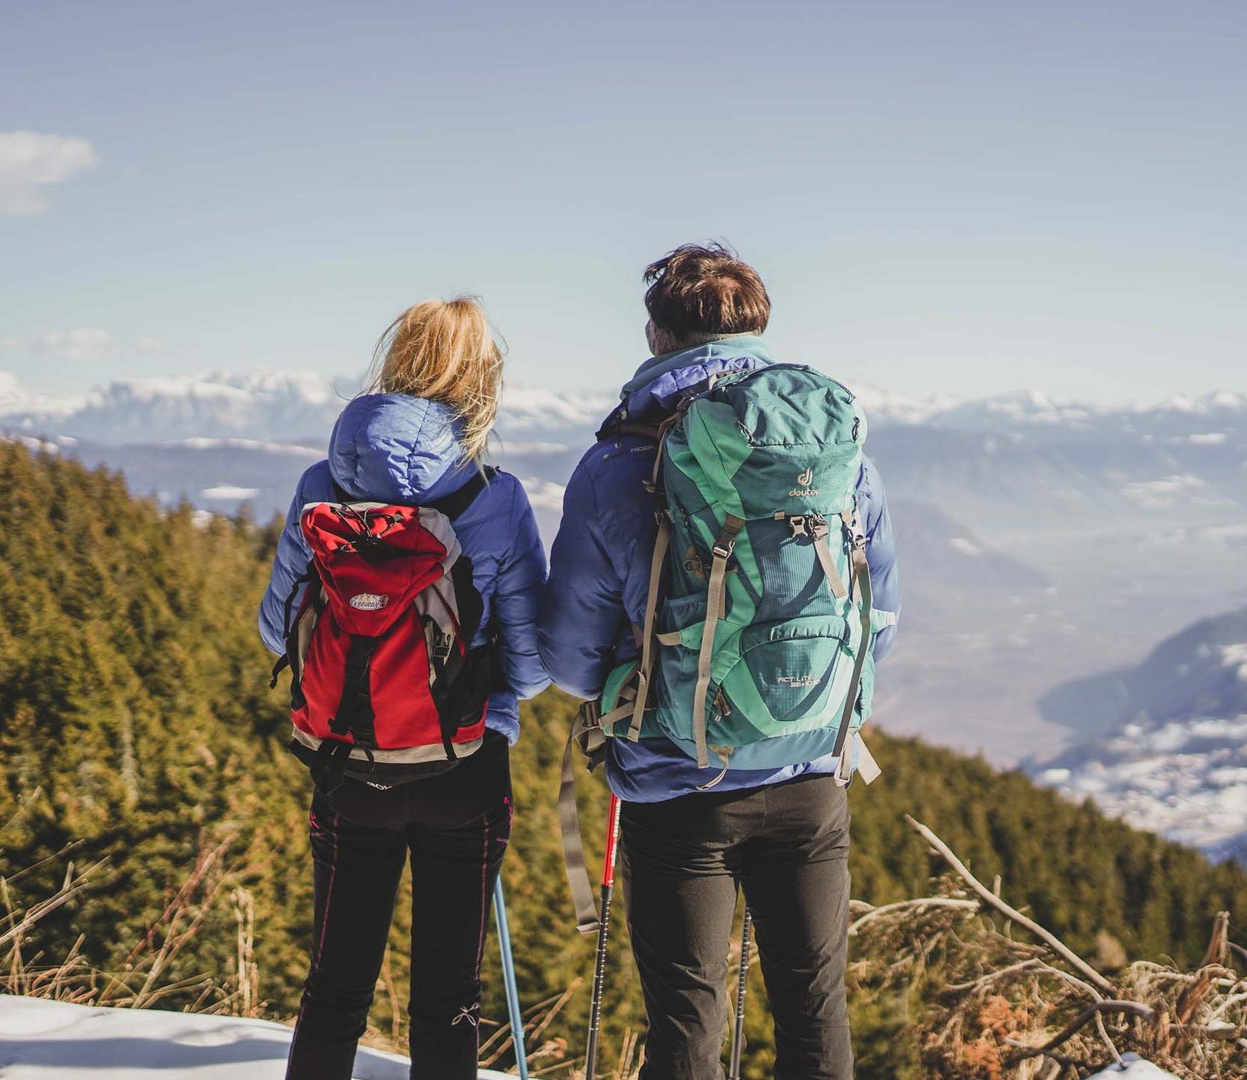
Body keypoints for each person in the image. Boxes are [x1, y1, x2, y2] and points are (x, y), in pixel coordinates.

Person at [542, 244, 900, 1079]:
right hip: (812, 773)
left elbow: (567, 652)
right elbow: (878, 612)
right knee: (816, 1018)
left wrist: (629, 690)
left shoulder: (616, 466)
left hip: (677, 783)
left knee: (688, 1027)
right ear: (761, 327)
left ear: (655, 334)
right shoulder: (839, 459)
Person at [258, 297, 548, 1080]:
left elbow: (275, 628)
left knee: (334, 987)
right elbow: (531, 662)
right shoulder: (494, 496)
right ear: (479, 380)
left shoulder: (322, 481)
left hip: (347, 764)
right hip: (463, 767)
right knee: (449, 993)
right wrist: (492, 702)